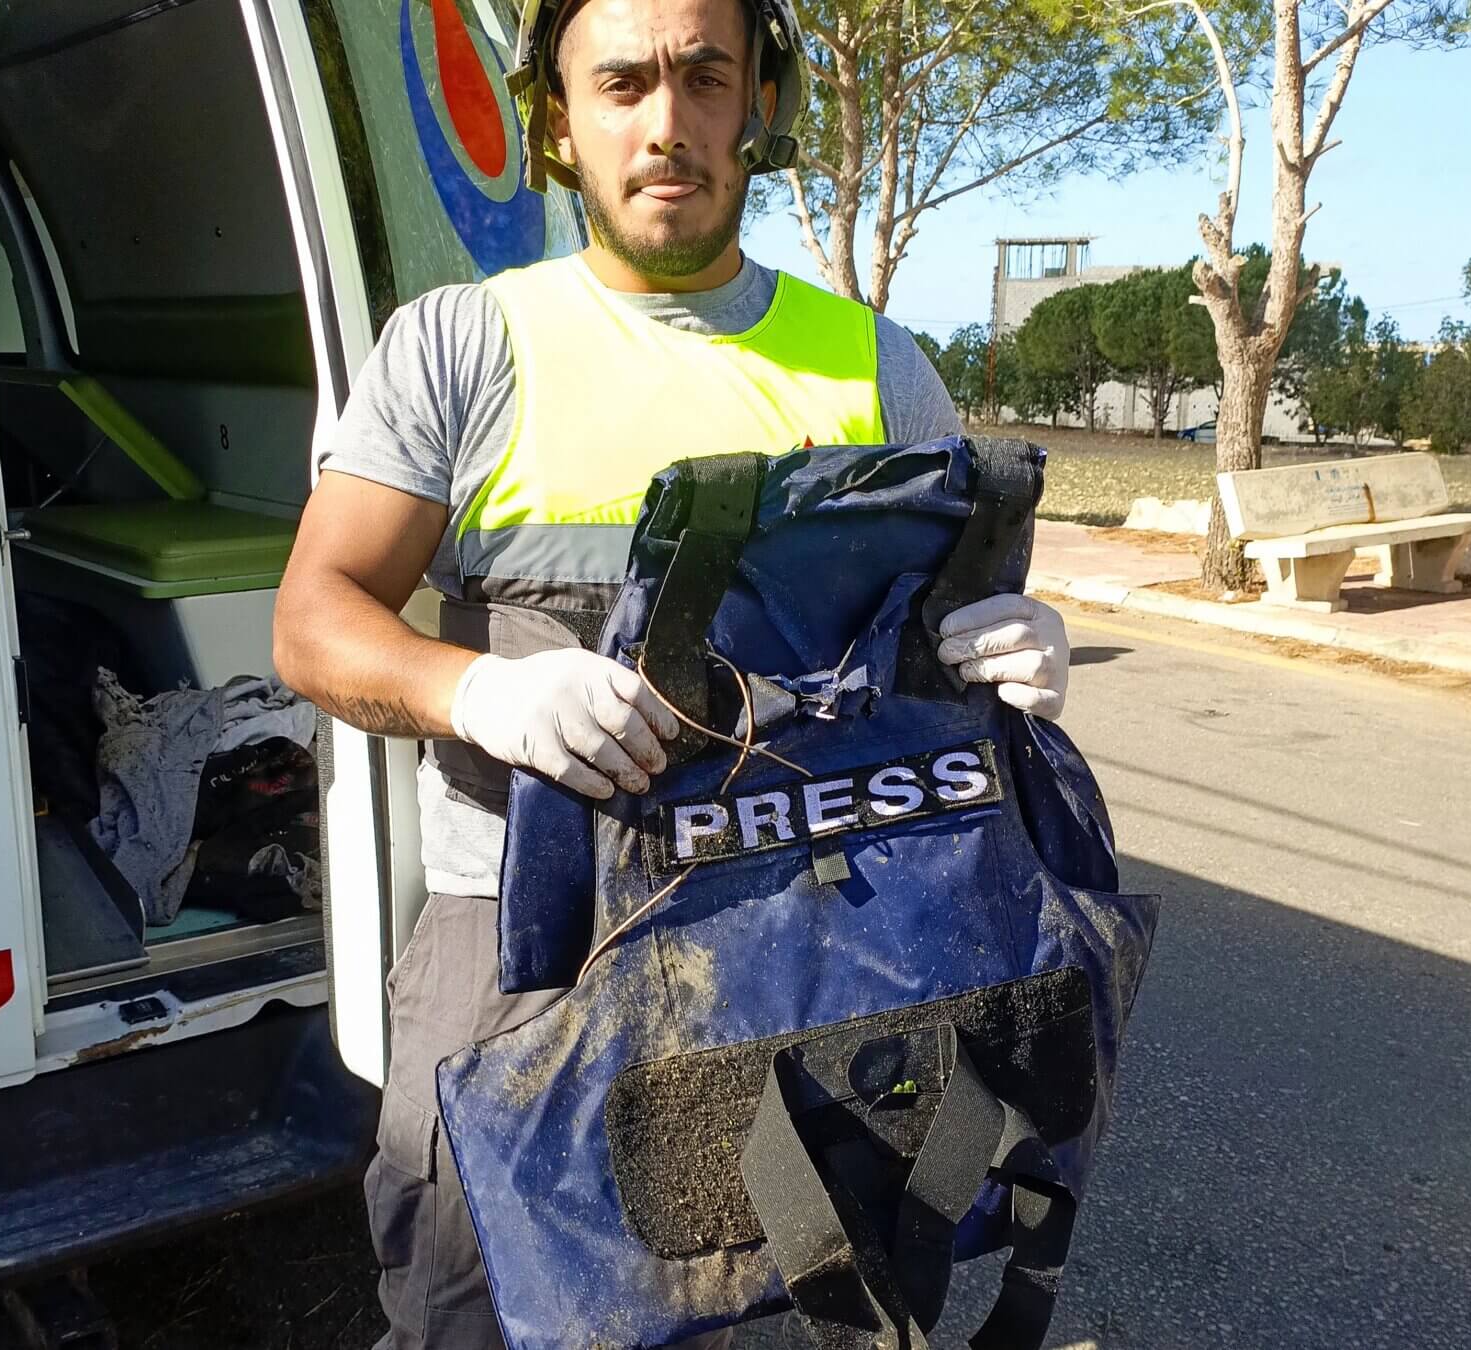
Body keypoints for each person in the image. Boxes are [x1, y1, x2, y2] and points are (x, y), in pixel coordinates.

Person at [273, 0, 1070, 1343]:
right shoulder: (464, 344)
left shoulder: (874, 366)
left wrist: (1000, 650)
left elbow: (934, 645)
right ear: (559, 119)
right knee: (476, 1288)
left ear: (760, 98)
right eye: (624, 82)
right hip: (526, 936)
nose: (666, 123)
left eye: (705, 77)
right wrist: (480, 688)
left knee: (820, 1278)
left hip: (816, 914)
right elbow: (314, 617)